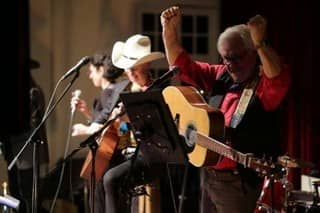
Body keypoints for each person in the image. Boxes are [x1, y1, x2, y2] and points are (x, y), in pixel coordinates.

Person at [161, 6, 290, 213]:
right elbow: (182, 66)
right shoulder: (221, 74)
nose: (229, 64)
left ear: (252, 53)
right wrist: (168, 32)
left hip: (237, 183)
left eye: (236, 57)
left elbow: (278, 78)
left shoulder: (264, 85)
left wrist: (260, 43)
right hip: (208, 174)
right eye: (225, 58)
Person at [99, 34, 169, 213]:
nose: (130, 74)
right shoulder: (129, 90)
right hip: (130, 151)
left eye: (134, 69)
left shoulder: (160, 91)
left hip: (152, 154)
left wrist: (134, 120)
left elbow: (162, 131)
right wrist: (118, 122)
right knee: (100, 170)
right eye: (127, 70)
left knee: (111, 179)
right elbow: (122, 132)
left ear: (146, 65)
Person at [70, 52, 130, 213]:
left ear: (101, 70)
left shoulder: (111, 93)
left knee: (99, 200)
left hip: (109, 155)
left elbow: (108, 126)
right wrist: (87, 112)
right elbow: (102, 121)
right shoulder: (106, 94)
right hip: (105, 153)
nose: (90, 76)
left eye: (91, 71)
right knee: (97, 197)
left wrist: (85, 129)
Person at [3, 59, 50, 213]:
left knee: (29, 194)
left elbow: (32, 124)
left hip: (28, 152)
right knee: (16, 192)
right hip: (14, 151)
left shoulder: (33, 92)